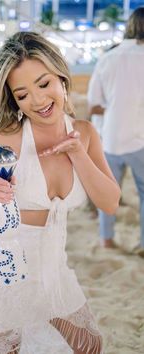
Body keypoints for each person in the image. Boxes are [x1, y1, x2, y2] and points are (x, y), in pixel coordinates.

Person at [0, 31, 120, 354]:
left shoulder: (86, 134)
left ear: (61, 76)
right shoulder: (3, 140)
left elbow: (111, 203)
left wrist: (77, 153)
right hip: (1, 262)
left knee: (90, 344)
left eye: (44, 84)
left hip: (51, 263)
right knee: (11, 349)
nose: (37, 101)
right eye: (22, 94)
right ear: (13, 100)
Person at [87, 7, 144, 252]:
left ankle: (106, 239)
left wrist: (115, 108)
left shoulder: (107, 58)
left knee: (108, 194)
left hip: (110, 138)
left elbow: (94, 105)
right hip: (140, 139)